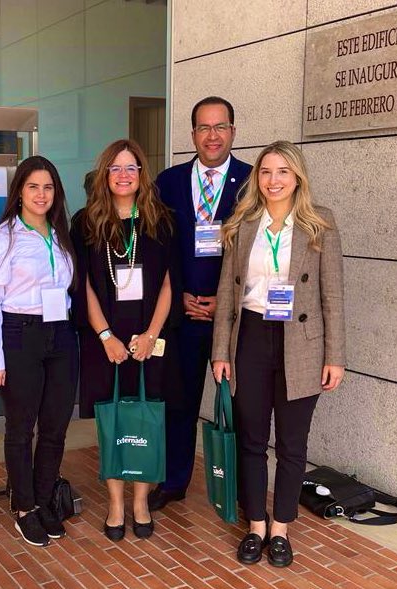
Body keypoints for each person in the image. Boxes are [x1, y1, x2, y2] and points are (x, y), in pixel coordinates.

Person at [211, 141, 346, 568]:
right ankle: (255, 524)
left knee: (292, 443)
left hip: (300, 342)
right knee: (251, 440)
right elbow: (226, 296)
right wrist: (220, 352)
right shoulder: (242, 223)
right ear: (257, 178)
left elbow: (332, 298)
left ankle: (281, 529)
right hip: (250, 338)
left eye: (283, 172)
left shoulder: (320, 224)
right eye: (266, 172)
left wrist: (335, 356)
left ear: (297, 177)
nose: (273, 180)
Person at [0, 156, 78, 547]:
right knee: (20, 427)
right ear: (20, 193)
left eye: (48, 187)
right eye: (33, 187)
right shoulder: (2, 240)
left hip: (60, 336)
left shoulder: (60, 236)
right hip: (20, 335)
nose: (41, 195)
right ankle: (25, 508)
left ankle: (44, 500)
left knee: (56, 427)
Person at [71, 139, 181, 541]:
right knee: (112, 420)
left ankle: (140, 500)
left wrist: (152, 334)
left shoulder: (161, 221)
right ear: (104, 174)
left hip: (148, 341)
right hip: (107, 342)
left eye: (131, 168)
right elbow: (82, 286)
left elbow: (170, 283)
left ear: (141, 174)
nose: (123, 175)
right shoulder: (86, 222)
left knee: (145, 419)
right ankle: (116, 503)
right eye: (115, 168)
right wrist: (104, 336)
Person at [149, 96, 252, 511]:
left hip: (236, 318)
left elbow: (261, 255)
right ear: (192, 134)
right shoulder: (168, 182)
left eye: (220, 127)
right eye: (204, 128)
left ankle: (243, 492)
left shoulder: (251, 181)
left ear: (233, 131)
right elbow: (159, 250)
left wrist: (224, 304)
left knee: (242, 407)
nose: (212, 136)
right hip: (183, 316)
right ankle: (174, 482)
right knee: (180, 404)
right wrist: (181, 301)